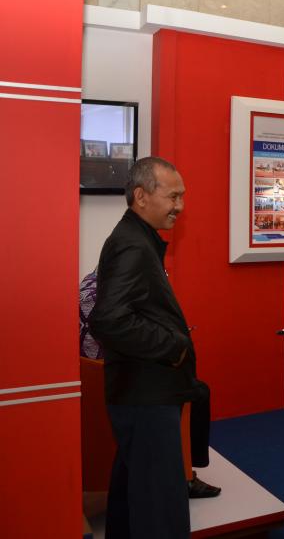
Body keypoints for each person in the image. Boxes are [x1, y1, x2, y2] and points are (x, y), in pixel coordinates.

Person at [88, 157, 202, 538]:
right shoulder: (132, 245)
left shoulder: (136, 238)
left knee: (133, 499)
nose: (180, 206)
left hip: (140, 393)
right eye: (173, 196)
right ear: (141, 196)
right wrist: (173, 345)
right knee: (159, 511)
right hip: (146, 396)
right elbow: (108, 320)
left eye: (182, 197)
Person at [80, 268, 221, 498]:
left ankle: (183, 469)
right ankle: (185, 475)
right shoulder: (122, 296)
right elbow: (137, 342)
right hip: (121, 380)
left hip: (92, 377)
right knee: (197, 390)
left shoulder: (89, 284)